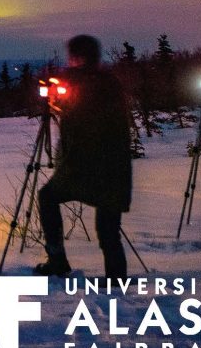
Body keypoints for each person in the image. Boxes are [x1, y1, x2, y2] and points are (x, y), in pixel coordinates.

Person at [34, 34, 133, 278]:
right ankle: (116, 275)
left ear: (77, 56)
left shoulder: (85, 83)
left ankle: (57, 259)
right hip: (112, 168)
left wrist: (56, 100)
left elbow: (81, 120)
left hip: (86, 166)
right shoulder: (108, 82)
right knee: (108, 226)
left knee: (48, 197)